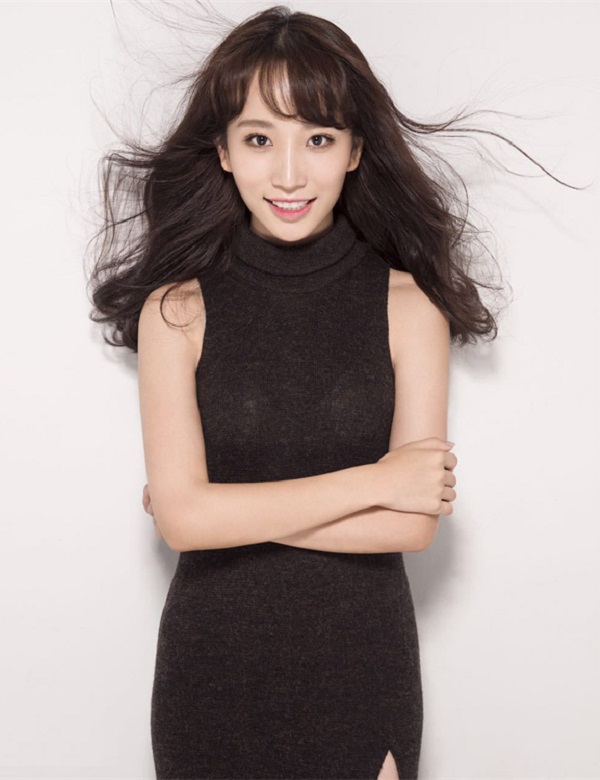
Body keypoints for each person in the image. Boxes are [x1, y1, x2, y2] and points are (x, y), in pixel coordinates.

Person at [86, 5, 571, 778]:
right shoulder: (176, 310)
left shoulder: (410, 307)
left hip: (362, 671)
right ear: (222, 149)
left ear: (355, 150)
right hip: (212, 675)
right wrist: (375, 483)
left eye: (318, 138)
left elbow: (411, 525)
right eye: (259, 139)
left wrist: (220, 513)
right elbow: (186, 521)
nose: (289, 173)